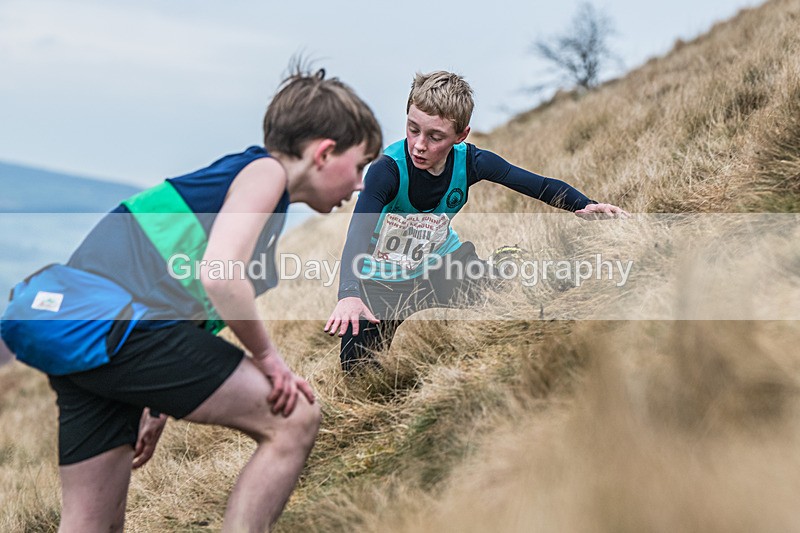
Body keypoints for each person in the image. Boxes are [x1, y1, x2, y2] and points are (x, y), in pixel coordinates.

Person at [2, 69, 382, 532]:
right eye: (360, 165)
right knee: (295, 418)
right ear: (324, 153)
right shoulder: (266, 173)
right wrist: (269, 360)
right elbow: (220, 276)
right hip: (120, 329)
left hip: (85, 337)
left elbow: (163, 285)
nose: (360, 184)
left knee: (90, 524)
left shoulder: (234, 179)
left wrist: (156, 403)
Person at [324, 71, 626, 372]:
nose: (419, 145)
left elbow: (537, 184)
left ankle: (504, 264)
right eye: (413, 129)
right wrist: (349, 293)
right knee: (358, 374)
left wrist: (584, 204)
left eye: (435, 137)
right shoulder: (387, 170)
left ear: (460, 136)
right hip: (381, 282)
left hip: (441, 266)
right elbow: (358, 232)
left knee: (511, 297)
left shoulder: (470, 162)